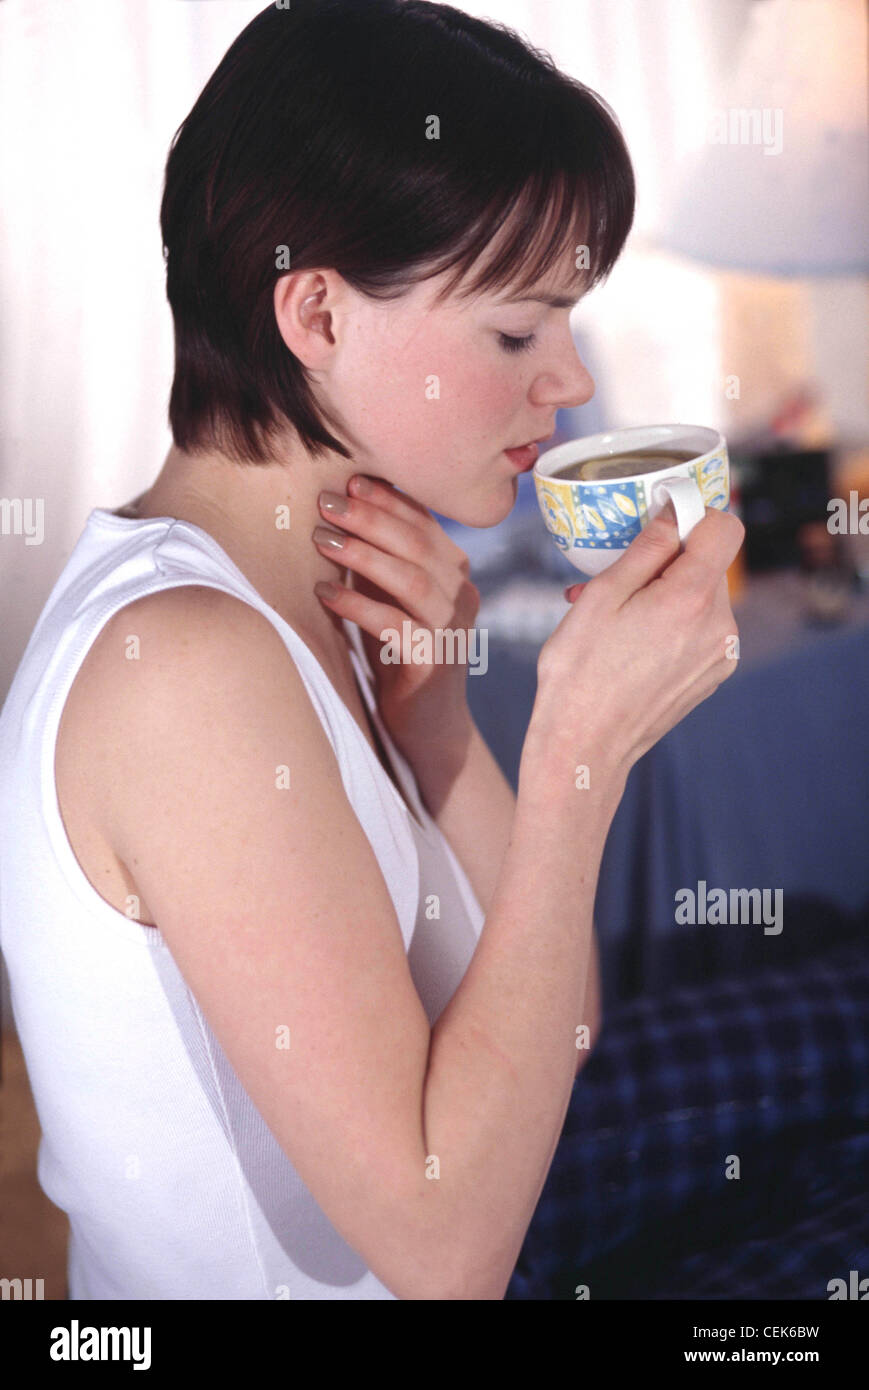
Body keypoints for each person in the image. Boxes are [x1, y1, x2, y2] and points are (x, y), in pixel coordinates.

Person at [0, 0, 744, 1299]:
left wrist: (441, 737)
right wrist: (578, 751)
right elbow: (446, 1248)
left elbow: (557, 1030)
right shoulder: (184, 668)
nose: (567, 379)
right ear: (318, 317)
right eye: (516, 329)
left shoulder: (328, 591)